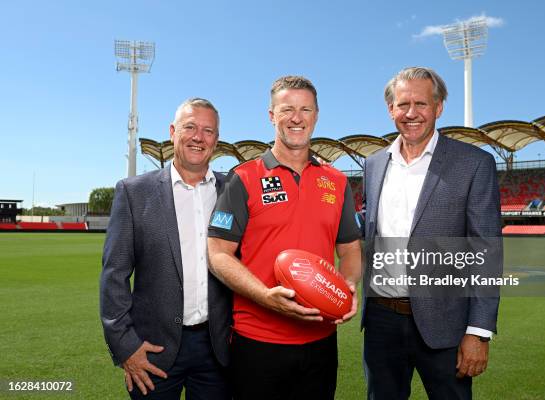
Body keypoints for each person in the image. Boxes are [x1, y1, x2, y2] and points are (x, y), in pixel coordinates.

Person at [207, 76, 362, 400]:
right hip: (257, 342)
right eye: (287, 109)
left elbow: (349, 250)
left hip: (320, 341)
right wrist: (265, 296)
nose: (296, 117)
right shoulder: (244, 177)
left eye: (305, 109)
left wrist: (347, 287)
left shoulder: (336, 181)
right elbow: (218, 253)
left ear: (316, 115)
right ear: (271, 115)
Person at [361, 67, 502, 400]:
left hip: (446, 325)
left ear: (438, 107)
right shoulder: (374, 164)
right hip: (381, 320)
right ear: (390, 109)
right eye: (403, 104)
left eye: (421, 104)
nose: (412, 113)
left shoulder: (474, 163)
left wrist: (478, 333)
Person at [100, 98, 232, 400]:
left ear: (216, 140)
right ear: (173, 131)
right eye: (190, 127)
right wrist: (125, 346)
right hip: (151, 350)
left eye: (208, 130)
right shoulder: (133, 192)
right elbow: (113, 277)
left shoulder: (233, 190)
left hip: (217, 349)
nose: (198, 137)